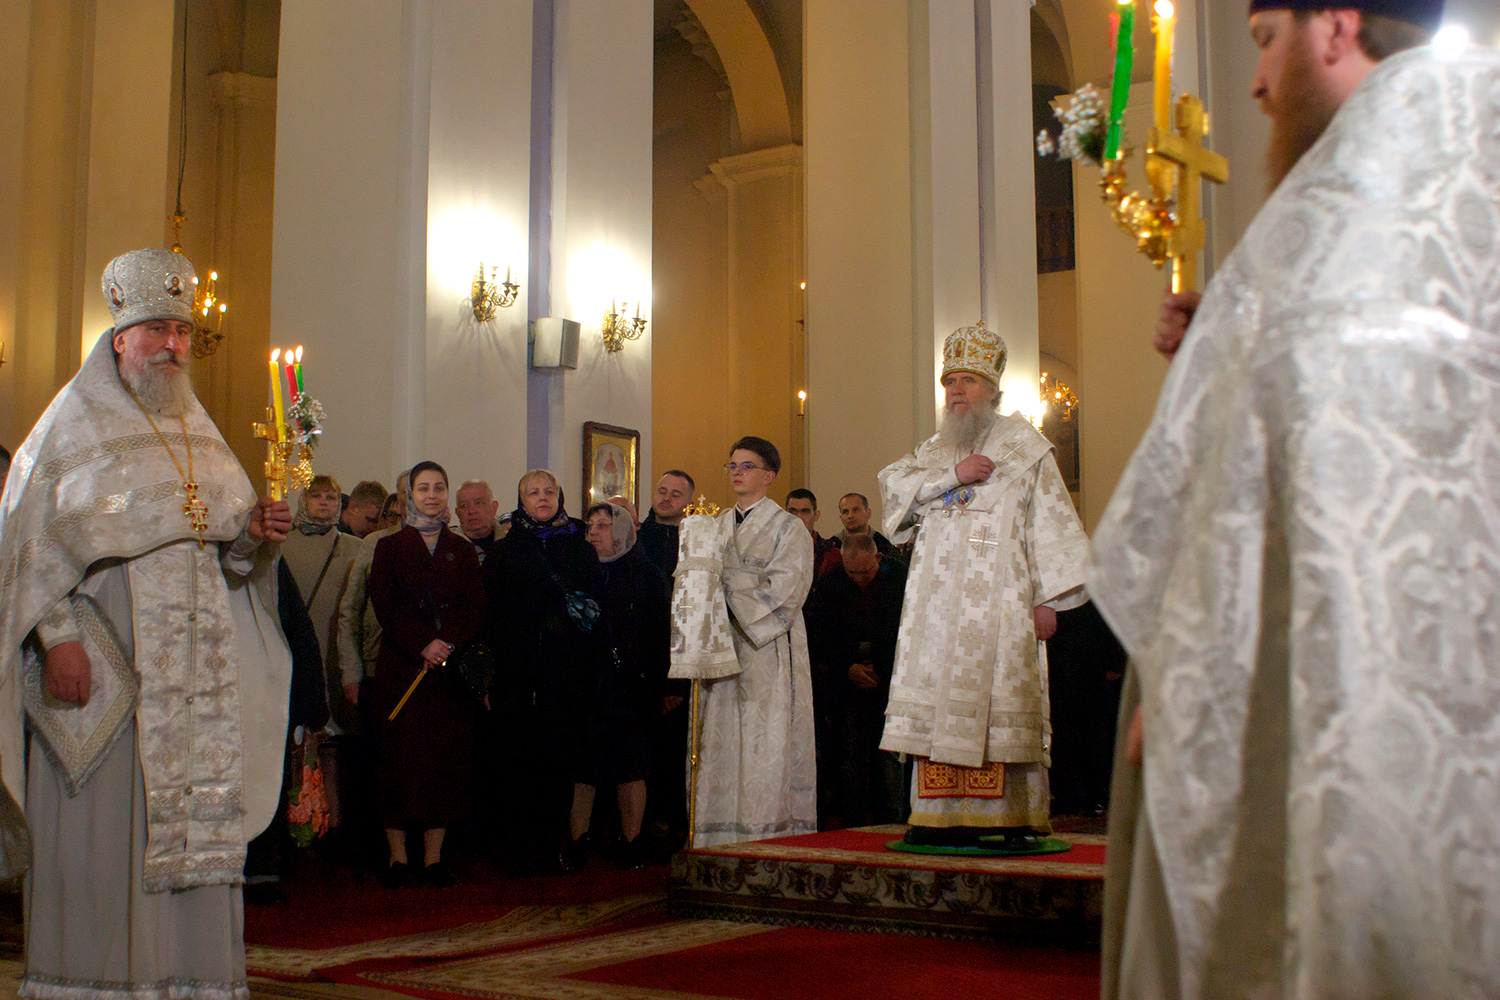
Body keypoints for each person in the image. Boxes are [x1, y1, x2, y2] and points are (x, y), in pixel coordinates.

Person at [1091, 5, 1500, 998]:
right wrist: (1221, 340)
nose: (1259, 83)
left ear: (1337, 25)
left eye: (1267, 37)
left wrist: (1192, 669)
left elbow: (1340, 429)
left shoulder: (1368, 176)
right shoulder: (1446, 156)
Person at [0, 247, 293, 998]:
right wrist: (59, 639)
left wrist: (252, 540)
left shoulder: (201, 434)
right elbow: (29, 550)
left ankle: (186, 982)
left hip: (194, 688)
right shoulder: (68, 430)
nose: (174, 345)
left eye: (184, 331)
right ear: (121, 336)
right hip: (107, 678)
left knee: (189, 844)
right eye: (159, 328)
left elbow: (226, 564)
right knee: (105, 839)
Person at [878, 321, 1088, 849]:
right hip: (936, 607)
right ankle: (937, 813)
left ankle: (1010, 817)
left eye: (967, 381)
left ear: (993, 387)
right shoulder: (934, 451)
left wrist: (1048, 599)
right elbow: (893, 500)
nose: (955, 392)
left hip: (1005, 602)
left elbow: (1052, 523)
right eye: (949, 382)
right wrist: (954, 476)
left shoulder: (1026, 448)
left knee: (1000, 700)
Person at [692, 436, 816, 846]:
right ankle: (717, 835)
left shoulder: (789, 527)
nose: (738, 473)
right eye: (732, 465)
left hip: (765, 651)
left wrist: (728, 587)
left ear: (769, 475)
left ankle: (768, 832)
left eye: (747, 465)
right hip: (721, 647)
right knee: (721, 740)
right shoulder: (715, 524)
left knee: (765, 740)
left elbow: (788, 590)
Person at [368, 461, 483, 888]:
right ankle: (399, 859)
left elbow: (474, 607)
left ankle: (434, 859)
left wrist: (447, 643)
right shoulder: (390, 547)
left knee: (442, 763)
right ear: (408, 497)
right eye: (422, 488)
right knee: (398, 761)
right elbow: (385, 606)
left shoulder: (462, 548)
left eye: (438, 488)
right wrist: (423, 643)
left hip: (447, 673)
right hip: (403, 667)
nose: (431, 495)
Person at [484, 469, 603, 873]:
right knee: (519, 761)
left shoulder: (581, 548)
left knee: (560, 762)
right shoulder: (506, 551)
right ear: (521, 501)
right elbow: (493, 615)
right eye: (533, 492)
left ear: (560, 496)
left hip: (565, 673)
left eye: (549, 491)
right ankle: (520, 847)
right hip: (518, 674)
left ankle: (555, 844)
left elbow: (594, 611)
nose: (542, 497)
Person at [573, 502, 671, 868]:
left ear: (625, 531)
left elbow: (662, 635)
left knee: (631, 767)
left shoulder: (646, 574)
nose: (595, 531)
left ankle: (631, 841)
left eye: (605, 525)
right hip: (589, 685)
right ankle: (578, 840)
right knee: (584, 768)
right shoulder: (581, 572)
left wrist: (666, 685)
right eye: (592, 525)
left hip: (633, 687)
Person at [803, 533, 908, 828]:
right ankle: (853, 823)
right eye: (853, 573)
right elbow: (820, 635)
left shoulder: (898, 576)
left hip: (889, 678)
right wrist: (848, 666)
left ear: (877, 559)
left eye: (866, 572)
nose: (860, 579)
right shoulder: (830, 583)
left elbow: (906, 629)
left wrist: (881, 669)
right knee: (851, 756)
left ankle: (893, 820)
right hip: (846, 682)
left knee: (891, 757)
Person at [281, 475, 364, 830]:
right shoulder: (282, 545)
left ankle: (338, 824)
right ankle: (297, 823)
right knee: (296, 742)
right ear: (304, 499)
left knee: (336, 745)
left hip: (335, 653)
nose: (325, 503)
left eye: (332, 497)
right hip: (294, 654)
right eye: (317, 496)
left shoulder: (353, 547)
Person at [638, 470, 694, 575]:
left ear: (689, 504)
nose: (666, 498)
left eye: (676, 495)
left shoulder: (696, 541)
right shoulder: (635, 538)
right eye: (662, 492)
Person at [785, 487, 842, 577]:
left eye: (805, 512)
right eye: (793, 512)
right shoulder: (770, 551)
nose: (798, 518)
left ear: (816, 515)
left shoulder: (830, 555)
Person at [454, 479, 505, 564]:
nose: (472, 511)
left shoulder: (512, 543)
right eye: (464, 505)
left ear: (494, 507)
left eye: (479, 503)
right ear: (457, 512)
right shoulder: (447, 547)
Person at [835, 493, 894, 557]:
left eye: (855, 510)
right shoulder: (833, 547)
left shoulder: (884, 546)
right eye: (845, 512)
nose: (850, 515)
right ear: (841, 518)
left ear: (868, 513)